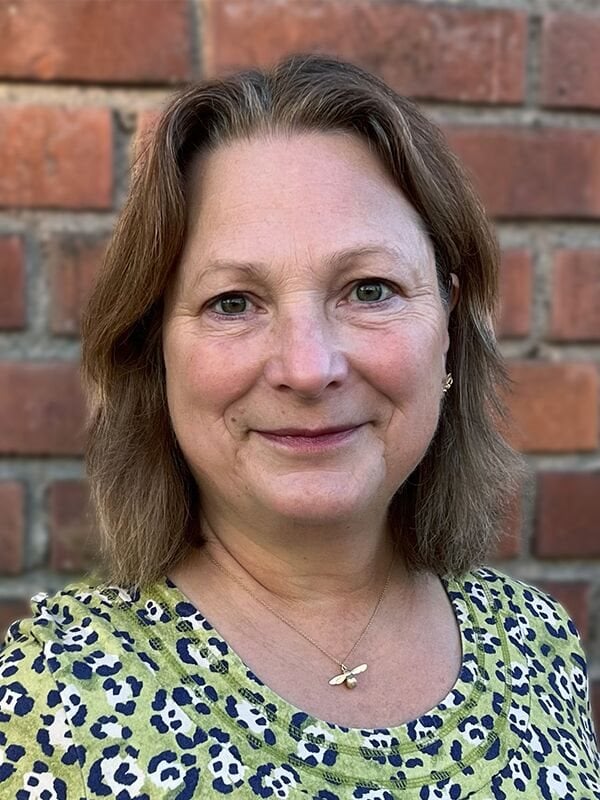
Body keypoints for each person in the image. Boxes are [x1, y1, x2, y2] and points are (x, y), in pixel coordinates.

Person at [0, 54, 598, 800]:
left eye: (369, 289)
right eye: (233, 302)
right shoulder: (51, 698)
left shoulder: (535, 640)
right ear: (156, 351)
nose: (308, 368)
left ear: (447, 325)